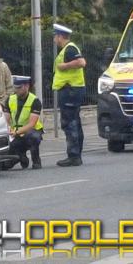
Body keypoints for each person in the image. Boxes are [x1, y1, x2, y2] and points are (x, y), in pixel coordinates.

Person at [52, 24, 87, 167]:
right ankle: (76, 153)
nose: (54, 39)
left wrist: (64, 66)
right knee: (75, 122)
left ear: (60, 36)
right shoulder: (69, 49)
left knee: (69, 123)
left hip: (70, 90)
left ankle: (74, 156)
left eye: (55, 36)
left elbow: (81, 62)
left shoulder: (70, 48)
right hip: (72, 90)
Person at [3, 76, 43, 170]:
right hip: (14, 133)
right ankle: (21, 157)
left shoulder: (35, 101)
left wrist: (17, 132)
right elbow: (6, 120)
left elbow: (32, 124)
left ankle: (36, 161)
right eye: (15, 87)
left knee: (33, 137)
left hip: (31, 131)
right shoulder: (10, 99)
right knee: (5, 165)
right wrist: (9, 130)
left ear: (26, 86)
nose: (16, 90)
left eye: (19, 88)